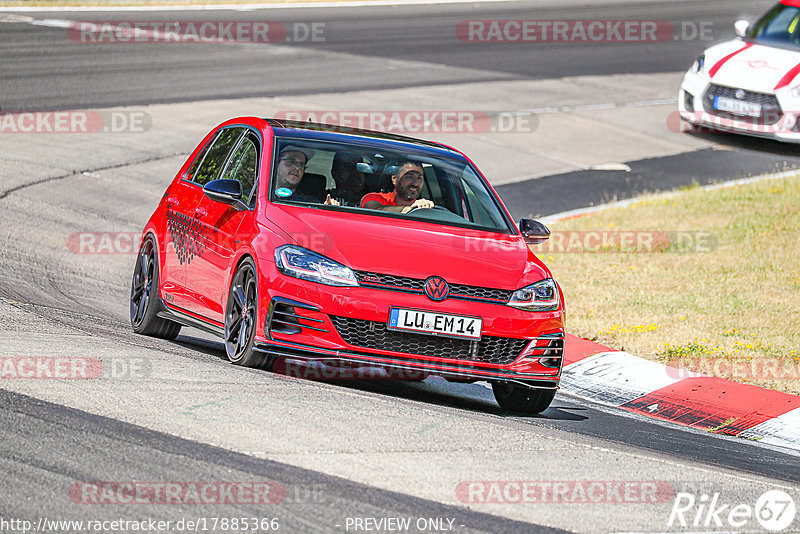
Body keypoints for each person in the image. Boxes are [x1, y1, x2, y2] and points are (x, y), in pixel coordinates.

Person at [360, 160, 434, 213]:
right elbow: (374, 210)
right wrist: (409, 210)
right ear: (394, 179)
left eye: (419, 178)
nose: (415, 184)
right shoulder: (375, 198)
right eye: (409, 177)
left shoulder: (424, 208)